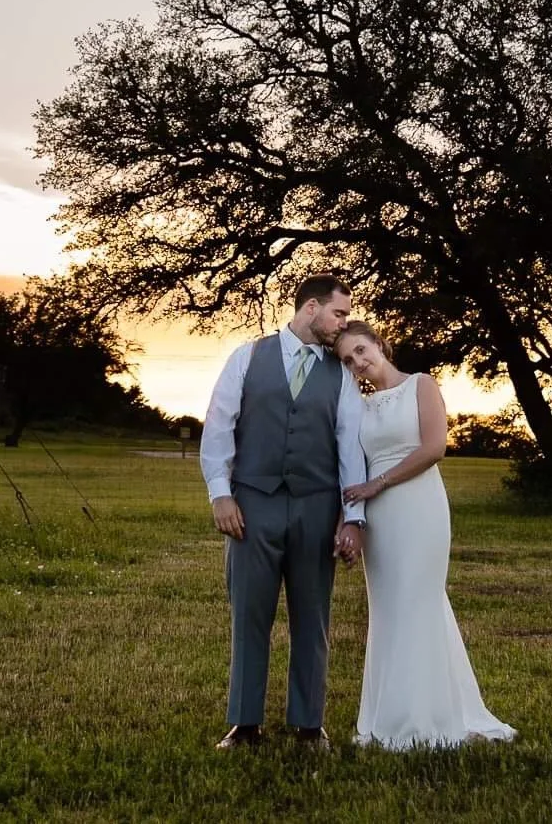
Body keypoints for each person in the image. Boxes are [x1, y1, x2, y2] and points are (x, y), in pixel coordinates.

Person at [199, 274, 368, 751]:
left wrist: (352, 517)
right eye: (339, 313)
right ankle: (244, 724)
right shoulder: (248, 357)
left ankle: (309, 725)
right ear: (310, 308)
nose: (344, 323)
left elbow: (350, 448)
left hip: (317, 506)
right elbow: (218, 427)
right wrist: (220, 493)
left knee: (312, 616)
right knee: (249, 613)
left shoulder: (342, 376)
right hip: (252, 504)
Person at [336, 319, 516, 750]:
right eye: (348, 359)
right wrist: (352, 516)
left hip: (418, 505)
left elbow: (435, 447)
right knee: (389, 608)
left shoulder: (422, 385)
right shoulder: (358, 405)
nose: (358, 362)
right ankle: (390, 714)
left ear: (379, 344)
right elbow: (352, 463)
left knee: (419, 600)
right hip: (379, 518)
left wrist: (379, 484)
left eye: (361, 350)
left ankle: (422, 718)